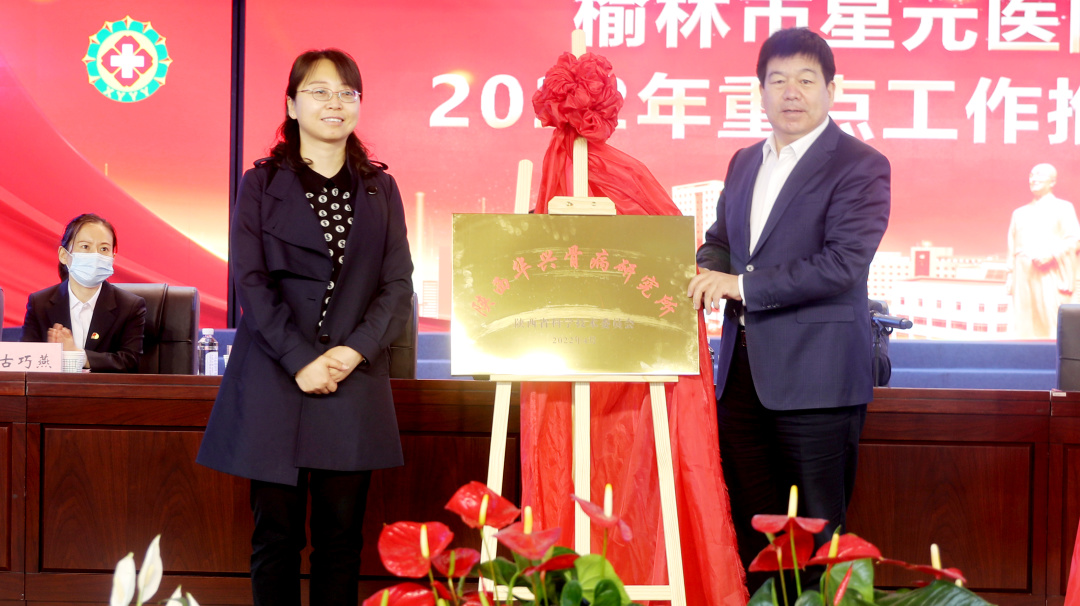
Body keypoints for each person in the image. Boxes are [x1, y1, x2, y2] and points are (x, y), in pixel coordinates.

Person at [195, 49, 413, 606]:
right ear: (292, 105)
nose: (334, 103)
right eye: (319, 91)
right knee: (276, 539)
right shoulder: (261, 183)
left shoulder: (380, 189)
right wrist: (300, 359)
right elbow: (252, 282)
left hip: (352, 381)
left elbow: (396, 285)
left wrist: (355, 351)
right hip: (276, 377)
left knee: (341, 543)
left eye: (346, 93)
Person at [687, 27, 890, 592]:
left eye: (806, 79)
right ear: (760, 91)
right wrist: (705, 269)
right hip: (742, 379)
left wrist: (738, 286)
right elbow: (720, 240)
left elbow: (841, 264)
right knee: (754, 532)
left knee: (818, 538)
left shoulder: (860, 165)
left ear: (832, 89)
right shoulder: (743, 161)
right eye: (777, 81)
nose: (791, 92)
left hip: (818, 381)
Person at [21, 213, 146, 372]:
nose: (95, 255)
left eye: (104, 249)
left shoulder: (130, 306)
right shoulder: (39, 303)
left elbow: (129, 361)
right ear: (64, 255)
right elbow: (26, 360)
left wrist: (78, 355)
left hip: (104, 388)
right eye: (85, 247)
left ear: (113, 257)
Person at [1006, 163, 1079, 339]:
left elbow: (1074, 240)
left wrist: (1051, 255)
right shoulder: (1019, 213)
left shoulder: (1063, 208)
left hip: (1049, 273)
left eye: (1040, 175)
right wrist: (1010, 273)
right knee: (1023, 324)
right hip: (1022, 275)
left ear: (1052, 182)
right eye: (1031, 175)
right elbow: (1011, 247)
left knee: (1051, 323)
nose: (1034, 179)